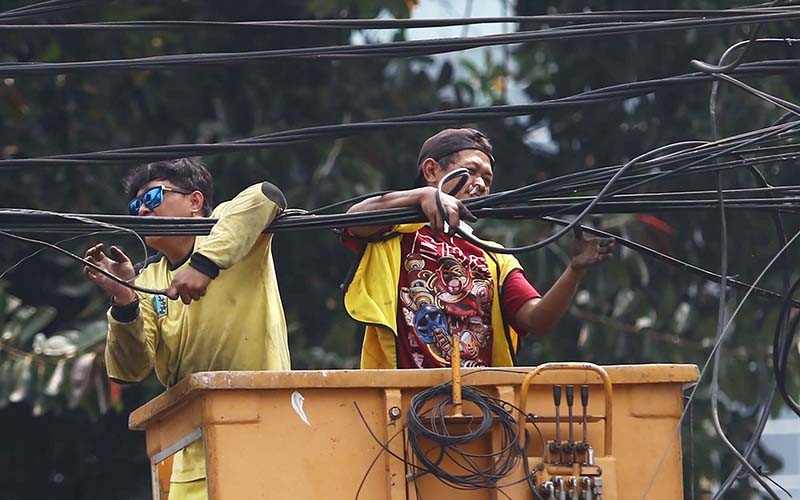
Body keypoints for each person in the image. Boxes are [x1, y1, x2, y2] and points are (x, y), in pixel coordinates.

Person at [82, 158, 290, 500]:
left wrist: (204, 265)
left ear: (195, 202)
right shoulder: (147, 278)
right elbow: (130, 370)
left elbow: (266, 196)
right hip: (194, 447)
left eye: (152, 199)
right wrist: (124, 298)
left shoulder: (228, 229)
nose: (142, 212)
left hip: (263, 425)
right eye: (136, 206)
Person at [342, 128, 613, 369]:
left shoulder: (493, 257)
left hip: (478, 406)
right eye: (470, 171)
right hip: (402, 401)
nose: (481, 184)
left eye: (487, 178)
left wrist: (575, 269)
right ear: (432, 171)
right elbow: (354, 220)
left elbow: (536, 319)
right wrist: (424, 195)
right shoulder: (396, 233)